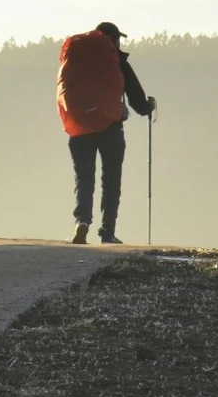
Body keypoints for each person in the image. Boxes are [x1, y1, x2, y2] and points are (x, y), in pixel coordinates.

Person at [64, 21, 155, 245]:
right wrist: (149, 106)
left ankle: (82, 222)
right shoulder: (115, 61)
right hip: (110, 129)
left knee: (84, 178)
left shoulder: (76, 60)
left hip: (79, 127)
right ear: (112, 40)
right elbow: (137, 98)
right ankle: (107, 232)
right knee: (111, 180)